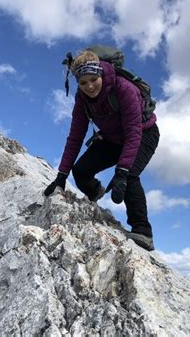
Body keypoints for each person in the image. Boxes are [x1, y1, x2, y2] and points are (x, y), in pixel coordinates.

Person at [44, 50, 160, 251]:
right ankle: (96, 191)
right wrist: (61, 176)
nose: (89, 86)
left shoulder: (124, 88)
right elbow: (75, 137)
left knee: (130, 176)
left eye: (93, 79)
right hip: (112, 139)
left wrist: (122, 171)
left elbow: (134, 132)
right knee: (80, 171)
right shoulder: (82, 100)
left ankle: (143, 231)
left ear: (101, 74)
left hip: (144, 134)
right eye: (83, 82)